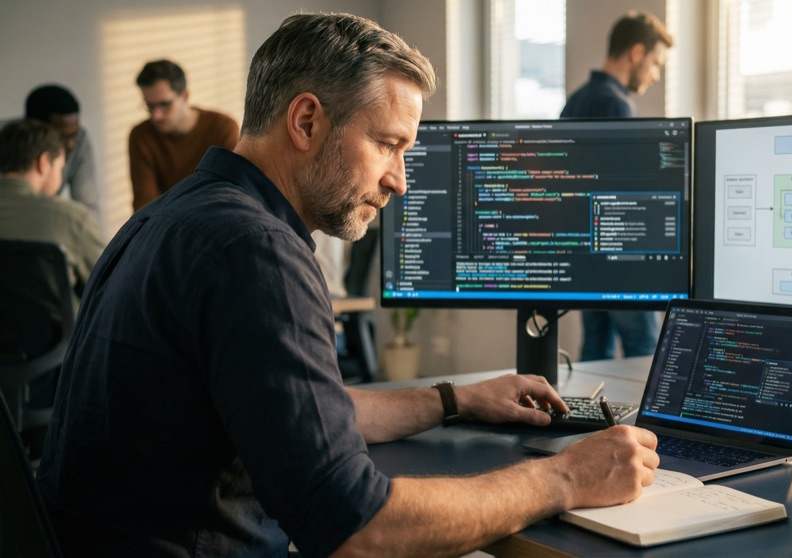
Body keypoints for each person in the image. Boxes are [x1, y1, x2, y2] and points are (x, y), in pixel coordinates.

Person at [38, 13, 658, 557]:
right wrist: (568, 478)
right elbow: (357, 530)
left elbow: (298, 412)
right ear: (307, 119)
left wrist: (453, 399)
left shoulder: (174, 215)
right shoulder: (256, 251)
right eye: (388, 144)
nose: (401, 182)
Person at [561, 11, 674, 362]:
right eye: (655, 63)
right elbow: (630, 196)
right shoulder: (617, 104)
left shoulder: (576, 100)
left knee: (596, 354)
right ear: (636, 53)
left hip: (586, 259)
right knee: (644, 355)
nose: (655, 75)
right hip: (621, 259)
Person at [0, 119, 105, 441]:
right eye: (60, 167)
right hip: (51, 381)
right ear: (44, 162)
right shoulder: (69, 219)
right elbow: (115, 290)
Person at [128, 58, 239, 211]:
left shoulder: (222, 128)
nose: (156, 116)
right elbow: (144, 207)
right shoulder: (141, 137)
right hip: (167, 226)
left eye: (164, 104)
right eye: (149, 106)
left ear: (185, 96)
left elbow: (231, 197)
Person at [24, 84, 100, 215]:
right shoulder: (7, 144)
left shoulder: (79, 141)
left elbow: (87, 208)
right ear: (35, 129)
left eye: (74, 135)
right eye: (62, 137)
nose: (71, 144)